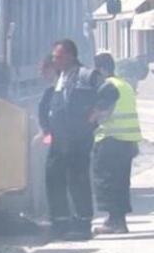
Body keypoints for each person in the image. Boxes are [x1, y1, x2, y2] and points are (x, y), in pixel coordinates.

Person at [40, 39, 117, 240]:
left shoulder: (87, 75)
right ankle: (60, 223)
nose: (54, 60)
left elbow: (110, 92)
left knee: (77, 178)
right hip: (59, 139)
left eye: (58, 56)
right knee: (53, 178)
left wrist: (95, 114)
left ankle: (82, 224)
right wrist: (46, 128)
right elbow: (52, 103)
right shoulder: (60, 77)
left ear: (70, 56)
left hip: (78, 138)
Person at [91, 52, 141, 234]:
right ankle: (118, 221)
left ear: (101, 69)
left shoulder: (106, 87)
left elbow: (102, 114)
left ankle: (114, 222)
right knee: (121, 182)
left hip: (110, 140)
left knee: (107, 181)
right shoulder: (125, 85)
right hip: (127, 142)